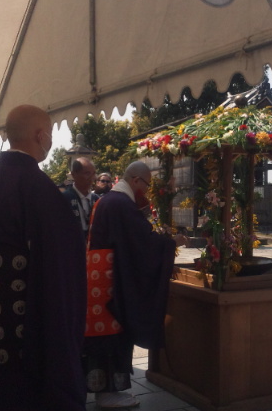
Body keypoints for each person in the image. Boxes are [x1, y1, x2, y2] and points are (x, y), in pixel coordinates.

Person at [0, 104, 87, 411]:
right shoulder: (39, 189)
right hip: (23, 336)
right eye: (50, 134)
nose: (51, 142)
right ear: (40, 135)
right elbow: (62, 269)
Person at [83, 161, 188, 409]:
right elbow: (142, 243)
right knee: (111, 337)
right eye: (147, 185)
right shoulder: (120, 203)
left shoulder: (109, 200)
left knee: (105, 338)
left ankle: (105, 391)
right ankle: (107, 393)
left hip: (102, 278)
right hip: (110, 284)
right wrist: (171, 243)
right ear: (135, 180)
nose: (147, 192)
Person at [63, 158, 98, 236]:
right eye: (87, 173)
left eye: (94, 173)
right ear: (74, 175)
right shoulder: (64, 199)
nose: (92, 178)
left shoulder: (97, 199)